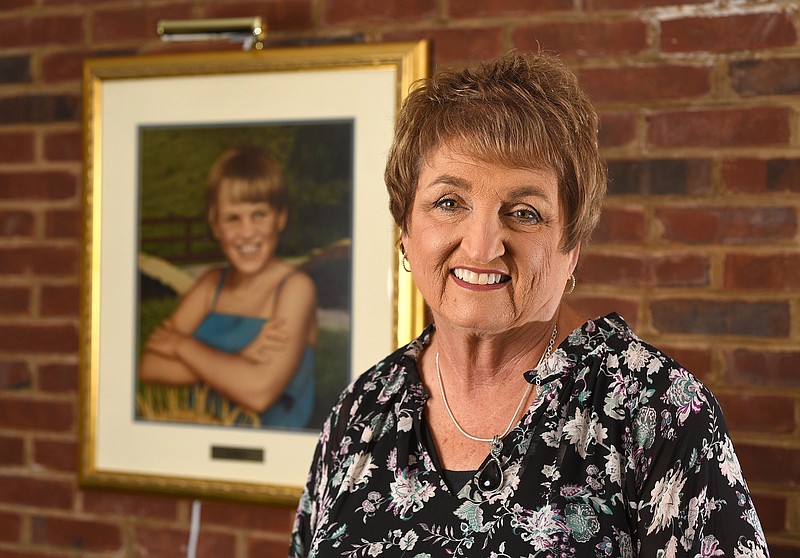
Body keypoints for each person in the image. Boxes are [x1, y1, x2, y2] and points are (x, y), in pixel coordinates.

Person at [289, 51, 769, 557]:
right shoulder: (363, 410)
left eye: (524, 212)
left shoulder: (657, 411)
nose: (481, 246)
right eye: (449, 203)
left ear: (571, 248)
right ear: (406, 232)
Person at [139, 146, 317, 429]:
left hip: (274, 453)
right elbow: (150, 365)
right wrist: (242, 358)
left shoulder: (295, 288)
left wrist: (182, 346)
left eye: (259, 214)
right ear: (215, 224)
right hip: (206, 436)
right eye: (233, 218)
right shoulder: (211, 285)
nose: (247, 231)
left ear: (280, 217)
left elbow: (259, 392)